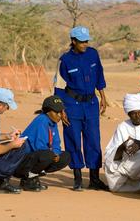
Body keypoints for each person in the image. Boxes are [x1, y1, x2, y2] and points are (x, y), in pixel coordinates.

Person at [54, 25, 108, 191]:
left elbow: (99, 75)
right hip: (71, 105)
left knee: (93, 141)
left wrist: (103, 97)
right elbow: (59, 87)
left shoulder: (93, 54)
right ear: (73, 41)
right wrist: (61, 109)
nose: (85, 44)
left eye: (87, 41)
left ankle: (94, 179)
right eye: (82, 42)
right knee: (73, 141)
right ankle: (77, 179)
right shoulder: (64, 60)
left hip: (91, 105)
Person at [13, 95, 71, 192]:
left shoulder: (53, 123)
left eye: (61, 112)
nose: (60, 115)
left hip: (36, 156)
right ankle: (28, 178)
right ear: (48, 112)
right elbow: (39, 146)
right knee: (47, 155)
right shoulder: (42, 120)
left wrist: (56, 154)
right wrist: (52, 155)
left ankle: (33, 175)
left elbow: (56, 144)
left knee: (65, 156)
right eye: (57, 112)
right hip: (20, 161)